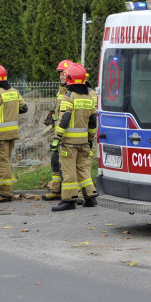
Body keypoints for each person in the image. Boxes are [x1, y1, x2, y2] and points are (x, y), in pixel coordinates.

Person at [51, 63, 98, 211]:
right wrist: (90, 138)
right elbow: (92, 121)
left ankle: (69, 200)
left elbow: (64, 119)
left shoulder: (68, 97)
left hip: (69, 143)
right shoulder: (88, 97)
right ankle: (91, 197)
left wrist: (57, 137)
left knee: (69, 171)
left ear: (70, 80)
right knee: (83, 169)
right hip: (84, 142)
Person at [0, 63, 27, 203]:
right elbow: (24, 108)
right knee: (2, 162)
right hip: (12, 134)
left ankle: (5, 193)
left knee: (2, 164)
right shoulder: (14, 91)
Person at [42, 59, 74, 202]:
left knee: (66, 165)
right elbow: (60, 111)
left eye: (64, 73)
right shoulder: (61, 91)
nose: (61, 76)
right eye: (60, 73)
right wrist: (53, 115)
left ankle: (69, 195)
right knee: (55, 161)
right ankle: (56, 190)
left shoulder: (72, 91)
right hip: (58, 132)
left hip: (67, 135)